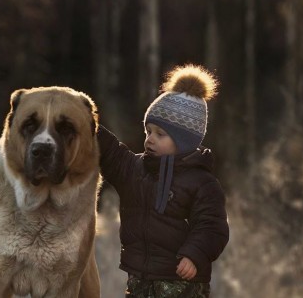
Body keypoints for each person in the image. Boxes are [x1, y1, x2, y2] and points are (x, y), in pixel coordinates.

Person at [98, 64, 230, 297]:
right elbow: (113, 154)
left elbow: (212, 226)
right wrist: (89, 125)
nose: (150, 139)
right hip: (140, 280)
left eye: (160, 134)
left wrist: (194, 255)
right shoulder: (136, 169)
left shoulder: (202, 182)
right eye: (148, 131)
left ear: (184, 141)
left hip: (181, 283)